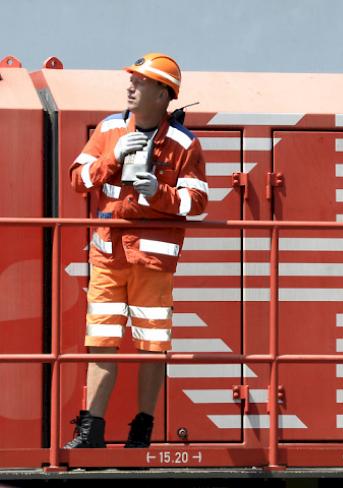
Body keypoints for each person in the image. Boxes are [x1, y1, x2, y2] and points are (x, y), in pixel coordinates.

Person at [65, 53, 207, 448]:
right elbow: (78, 180)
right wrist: (113, 157)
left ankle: (141, 431)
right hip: (107, 257)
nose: (130, 86)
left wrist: (157, 193)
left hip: (153, 263)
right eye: (131, 81)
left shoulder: (183, 143)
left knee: (151, 345)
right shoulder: (109, 129)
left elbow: (196, 201)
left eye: (140, 82)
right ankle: (91, 430)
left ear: (163, 94)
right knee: (101, 339)